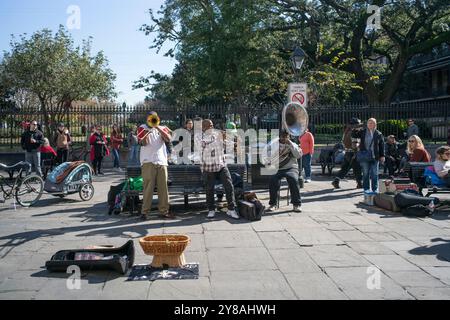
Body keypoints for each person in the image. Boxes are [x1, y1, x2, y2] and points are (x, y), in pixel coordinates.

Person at [138, 112, 174, 220]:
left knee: (163, 188)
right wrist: (148, 131)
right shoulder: (142, 128)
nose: (153, 120)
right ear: (147, 118)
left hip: (161, 161)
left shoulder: (162, 128)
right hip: (148, 161)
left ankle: (164, 211)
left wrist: (157, 127)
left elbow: (168, 139)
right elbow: (143, 143)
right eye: (151, 118)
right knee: (148, 188)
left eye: (155, 118)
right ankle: (144, 212)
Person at [201, 119, 239, 220]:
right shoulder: (201, 137)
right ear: (204, 127)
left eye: (212, 125)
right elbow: (207, 149)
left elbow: (226, 144)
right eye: (209, 125)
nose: (211, 127)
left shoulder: (217, 134)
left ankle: (231, 209)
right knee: (210, 189)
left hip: (221, 164)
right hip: (209, 166)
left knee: (229, 185)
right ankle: (211, 209)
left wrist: (233, 143)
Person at [266, 130, 303, 213]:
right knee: (272, 179)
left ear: (289, 137)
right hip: (278, 168)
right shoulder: (274, 144)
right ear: (280, 137)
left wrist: (291, 145)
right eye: (283, 136)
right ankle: (273, 204)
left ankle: (296, 204)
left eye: (286, 137)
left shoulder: (293, 144)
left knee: (293, 179)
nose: (284, 138)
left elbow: (298, 155)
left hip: (291, 167)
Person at [353, 118, 385, 193]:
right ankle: (366, 189)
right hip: (365, 156)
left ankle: (374, 189)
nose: (370, 124)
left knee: (374, 174)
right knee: (365, 173)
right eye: (369, 123)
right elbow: (354, 135)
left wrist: (382, 156)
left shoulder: (378, 133)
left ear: (375, 124)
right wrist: (356, 128)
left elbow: (381, 145)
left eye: (372, 123)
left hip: (375, 156)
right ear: (367, 124)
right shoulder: (362, 132)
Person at [332, 118, 363, 189]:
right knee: (357, 169)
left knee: (345, 168)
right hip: (353, 153)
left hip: (347, 153)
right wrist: (358, 149)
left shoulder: (346, 131)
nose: (360, 126)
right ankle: (359, 183)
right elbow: (354, 144)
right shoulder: (353, 132)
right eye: (358, 124)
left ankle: (336, 180)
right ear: (355, 125)